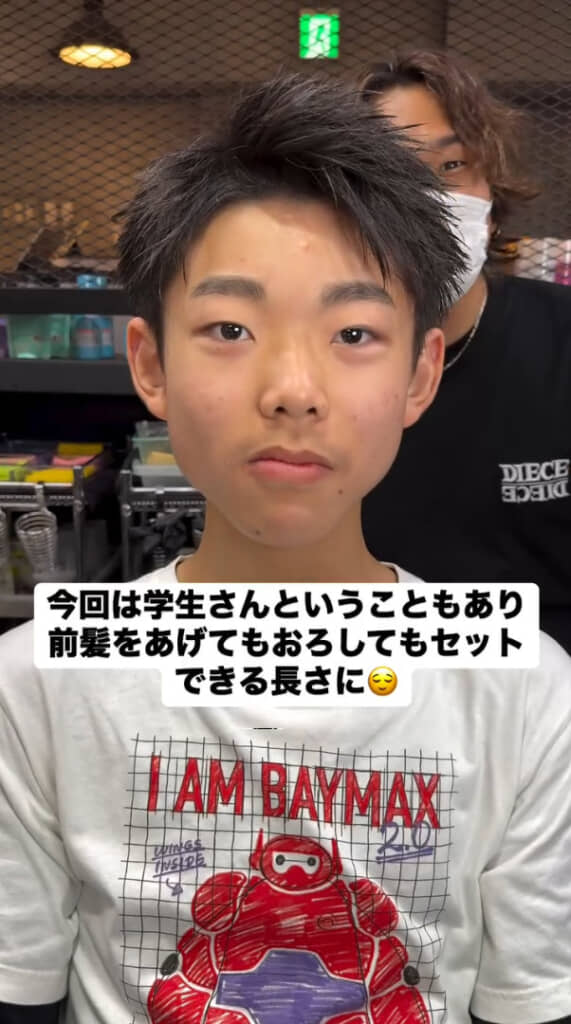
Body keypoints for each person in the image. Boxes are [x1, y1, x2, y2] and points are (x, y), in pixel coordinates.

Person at [0, 75, 570, 1024]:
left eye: (354, 332)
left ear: (419, 374)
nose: (293, 388)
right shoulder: (40, 680)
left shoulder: (523, 687)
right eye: (229, 329)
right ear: (150, 364)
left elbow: (529, 1000)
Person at [359, 49, 571, 656]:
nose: (426, 197)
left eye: (452, 165)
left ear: (492, 199)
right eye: (391, 172)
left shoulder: (560, 339)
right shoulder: (316, 369)